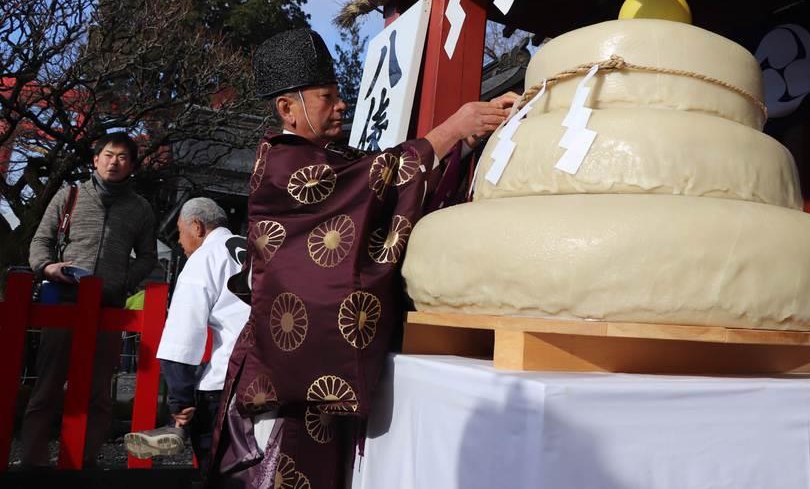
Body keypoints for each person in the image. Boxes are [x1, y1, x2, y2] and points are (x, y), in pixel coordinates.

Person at [208, 28, 515, 488]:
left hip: (306, 374)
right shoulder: (284, 165)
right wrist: (453, 127)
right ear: (287, 109)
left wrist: (465, 142)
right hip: (285, 379)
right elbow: (380, 179)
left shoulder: (326, 162)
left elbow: (386, 190)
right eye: (326, 97)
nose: (341, 106)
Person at [22, 132, 158, 467]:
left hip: (109, 307)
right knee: (48, 387)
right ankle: (31, 463)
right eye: (108, 155)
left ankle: (84, 461)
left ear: (132, 166)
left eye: (123, 157)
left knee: (98, 393)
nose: (114, 162)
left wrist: (122, 282)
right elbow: (41, 239)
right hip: (66, 300)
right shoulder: (69, 195)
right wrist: (48, 267)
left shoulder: (140, 208)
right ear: (95, 159)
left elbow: (147, 257)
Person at [123, 197, 249, 475]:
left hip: (227, 382)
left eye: (180, 232)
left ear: (197, 227)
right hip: (276, 378)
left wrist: (180, 403)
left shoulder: (205, 257)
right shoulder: (256, 250)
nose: (180, 241)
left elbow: (183, 335)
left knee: (221, 468)